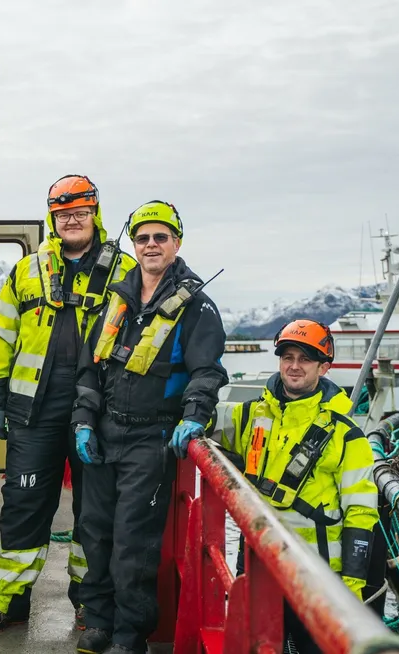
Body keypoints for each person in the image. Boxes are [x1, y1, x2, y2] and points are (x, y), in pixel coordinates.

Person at [0, 174, 137, 635]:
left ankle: (89, 603)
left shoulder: (123, 270)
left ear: (95, 215)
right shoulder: (27, 270)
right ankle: (10, 601)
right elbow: (1, 334)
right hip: (34, 408)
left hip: (100, 411)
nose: (72, 220)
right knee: (23, 505)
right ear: (52, 219)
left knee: (95, 510)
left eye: (80, 212)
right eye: (63, 214)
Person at [71, 201, 228, 654]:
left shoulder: (197, 305)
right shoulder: (116, 299)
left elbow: (208, 371)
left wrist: (195, 413)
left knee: (133, 542)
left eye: (161, 237)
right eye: (143, 238)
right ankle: (98, 623)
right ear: (133, 246)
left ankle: (129, 635)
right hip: (103, 432)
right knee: (94, 531)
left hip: (151, 438)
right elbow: (89, 369)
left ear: (176, 243)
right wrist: (83, 420)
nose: (151, 245)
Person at [222, 319, 379, 654]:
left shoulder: (347, 435)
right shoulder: (250, 414)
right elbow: (203, 419)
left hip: (318, 575)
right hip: (258, 563)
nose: (294, 366)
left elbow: (362, 513)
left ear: (323, 368)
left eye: (305, 359)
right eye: (287, 357)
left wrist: (350, 586)